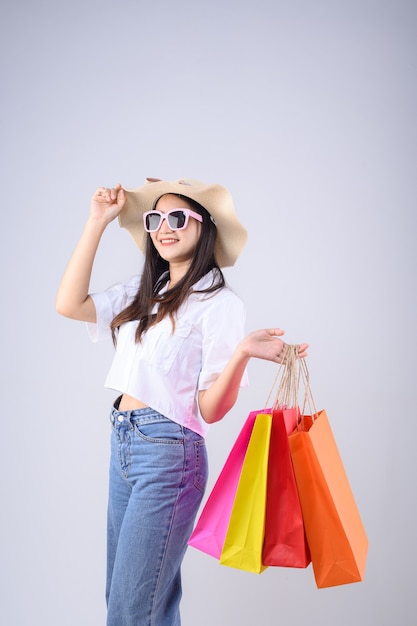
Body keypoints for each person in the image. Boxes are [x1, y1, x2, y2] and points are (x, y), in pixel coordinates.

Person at [55, 177, 308, 626]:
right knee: (133, 600)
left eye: (177, 218)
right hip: (125, 445)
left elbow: (211, 409)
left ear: (204, 227)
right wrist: (96, 222)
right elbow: (68, 304)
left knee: (133, 611)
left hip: (170, 453)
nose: (163, 227)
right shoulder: (144, 291)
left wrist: (243, 353)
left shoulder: (219, 303)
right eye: (155, 218)